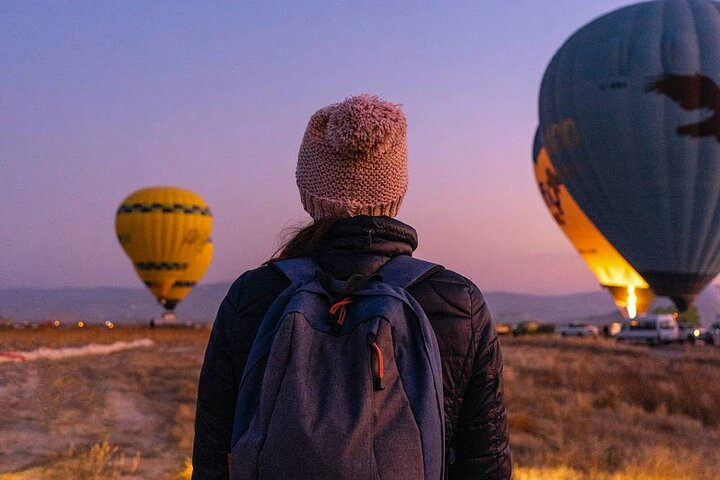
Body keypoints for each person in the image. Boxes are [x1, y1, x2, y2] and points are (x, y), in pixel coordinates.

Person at [192, 94, 512, 479]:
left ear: (307, 191)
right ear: (397, 192)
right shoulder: (458, 302)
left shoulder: (253, 295)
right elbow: (486, 465)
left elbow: (213, 456)